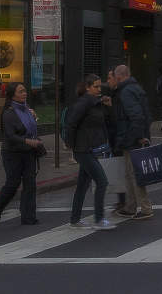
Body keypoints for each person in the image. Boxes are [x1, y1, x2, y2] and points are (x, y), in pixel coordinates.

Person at [66, 75, 114, 229]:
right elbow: (71, 124)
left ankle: (75, 219)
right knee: (102, 181)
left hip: (90, 148)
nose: (99, 89)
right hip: (83, 150)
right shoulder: (84, 103)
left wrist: (107, 106)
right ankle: (99, 220)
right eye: (96, 86)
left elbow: (102, 122)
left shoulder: (95, 103)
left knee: (83, 184)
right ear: (87, 87)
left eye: (100, 86)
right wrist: (71, 146)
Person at [0, 82, 43, 225]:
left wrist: (34, 118)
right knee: (13, 183)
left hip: (29, 153)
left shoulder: (26, 109)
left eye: (25, 90)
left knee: (30, 184)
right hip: (12, 153)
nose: (24, 93)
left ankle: (28, 216)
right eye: (21, 92)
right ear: (13, 95)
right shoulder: (9, 112)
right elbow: (10, 135)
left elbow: (32, 128)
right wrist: (27, 141)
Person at [111, 64, 153, 220]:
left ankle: (145, 207)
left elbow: (136, 116)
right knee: (131, 175)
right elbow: (145, 114)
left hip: (132, 139)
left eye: (114, 77)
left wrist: (133, 138)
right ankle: (130, 206)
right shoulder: (136, 88)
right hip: (136, 137)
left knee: (134, 175)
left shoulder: (126, 92)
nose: (114, 80)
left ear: (119, 77)